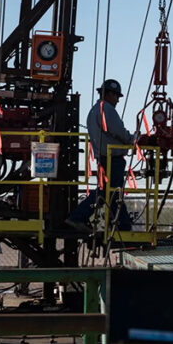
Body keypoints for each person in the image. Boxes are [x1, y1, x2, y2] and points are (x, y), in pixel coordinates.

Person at [68, 79, 147, 231]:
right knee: (108, 192)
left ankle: (121, 225)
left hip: (103, 157)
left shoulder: (94, 110)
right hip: (112, 159)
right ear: (109, 94)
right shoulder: (107, 109)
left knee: (111, 193)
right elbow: (119, 132)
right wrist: (134, 138)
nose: (117, 100)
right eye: (116, 96)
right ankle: (79, 217)